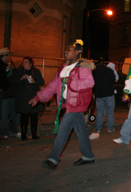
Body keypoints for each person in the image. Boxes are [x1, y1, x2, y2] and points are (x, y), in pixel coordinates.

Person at [29, 40, 95, 170]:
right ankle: (88, 156)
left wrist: (71, 81)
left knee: (63, 129)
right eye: (65, 49)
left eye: (69, 49)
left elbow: (89, 83)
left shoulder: (83, 67)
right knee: (81, 131)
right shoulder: (63, 68)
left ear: (78, 52)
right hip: (67, 103)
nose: (66, 51)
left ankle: (53, 158)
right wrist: (39, 96)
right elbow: (53, 85)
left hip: (76, 103)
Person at [14, 57, 45, 140]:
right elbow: (14, 81)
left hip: (33, 96)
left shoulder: (36, 71)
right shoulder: (20, 71)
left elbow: (42, 82)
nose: (24, 64)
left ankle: (34, 133)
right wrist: (21, 79)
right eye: (23, 62)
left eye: (26, 62)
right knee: (24, 117)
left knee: (34, 116)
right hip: (23, 98)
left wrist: (34, 81)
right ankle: (23, 134)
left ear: (31, 63)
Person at [89, 59, 117, 140]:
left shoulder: (95, 72)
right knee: (110, 112)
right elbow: (113, 80)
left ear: (97, 64)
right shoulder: (109, 71)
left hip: (99, 94)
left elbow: (92, 83)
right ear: (105, 63)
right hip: (109, 94)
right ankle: (110, 128)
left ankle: (98, 128)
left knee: (99, 112)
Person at [1, 58, 20, 140]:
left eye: (9, 62)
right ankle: (4, 132)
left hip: (14, 96)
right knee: (4, 116)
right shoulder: (2, 72)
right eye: (6, 62)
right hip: (5, 96)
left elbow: (16, 81)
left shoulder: (14, 72)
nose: (8, 63)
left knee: (16, 115)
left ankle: (14, 129)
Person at [0, 48, 13, 138]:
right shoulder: (1, 65)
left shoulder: (3, 66)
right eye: (8, 55)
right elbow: (3, 80)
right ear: (4, 56)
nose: (9, 57)